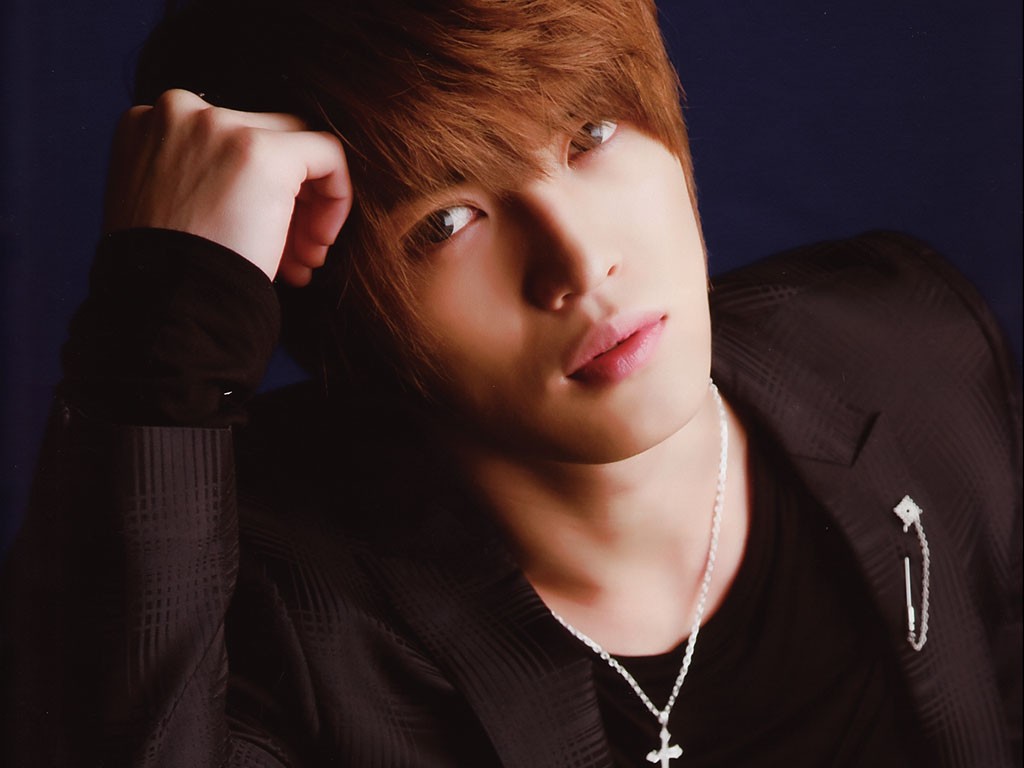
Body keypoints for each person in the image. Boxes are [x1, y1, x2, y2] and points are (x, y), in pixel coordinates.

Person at [2, 0, 1020, 765]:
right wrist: (167, 319)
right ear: (341, 311)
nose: (577, 262)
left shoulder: (909, 345)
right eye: (445, 223)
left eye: (590, 135)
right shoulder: (268, 608)